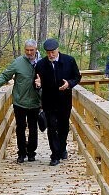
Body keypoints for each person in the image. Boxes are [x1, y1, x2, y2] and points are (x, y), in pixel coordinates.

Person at [0, 39, 41, 163]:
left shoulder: (42, 63)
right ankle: (21, 153)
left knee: (33, 128)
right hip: (20, 101)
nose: (29, 53)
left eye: (31, 50)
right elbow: (6, 75)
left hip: (35, 101)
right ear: (24, 50)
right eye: (27, 50)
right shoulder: (18, 62)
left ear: (36, 49)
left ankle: (31, 152)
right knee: (20, 127)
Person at [34, 38, 81, 166]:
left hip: (64, 101)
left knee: (63, 127)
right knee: (51, 128)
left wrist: (69, 84)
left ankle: (62, 148)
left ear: (58, 49)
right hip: (48, 101)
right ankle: (55, 155)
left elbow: (77, 76)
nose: (51, 55)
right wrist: (38, 85)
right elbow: (36, 83)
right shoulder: (41, 64)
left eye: (53, 52)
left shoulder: (69, 60)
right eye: (48, 52)